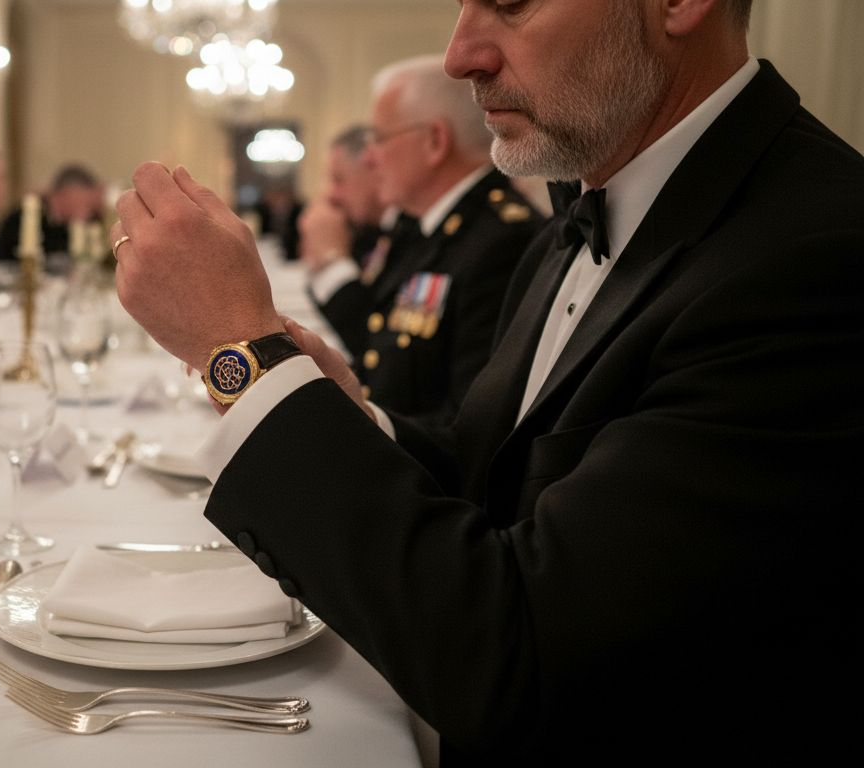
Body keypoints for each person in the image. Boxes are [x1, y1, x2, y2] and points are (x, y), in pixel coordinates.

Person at [109, 0, 862, 763]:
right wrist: (353, 417)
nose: (459, 54)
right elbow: (502, 483)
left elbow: (526, 661)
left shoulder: (815, 254)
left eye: (510, 3)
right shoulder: (583, 215)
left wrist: (241, 354)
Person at [351, 56, 543, 420]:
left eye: (378, 138)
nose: (369, 159)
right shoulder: (426, 228)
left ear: (435, 141)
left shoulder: (503, 241)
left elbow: (470, 423)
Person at [297, 124, 416, 360]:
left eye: (338, 179)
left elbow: (374, 347)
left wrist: (331, 261)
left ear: (373, 168)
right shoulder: (372, 230)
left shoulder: (411, 229)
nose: (332, 195)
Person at [0, 163, 102, 267]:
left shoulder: (77, 223)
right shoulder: (24, 217)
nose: (88, 211)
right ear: (66, 194)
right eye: (84, 203)